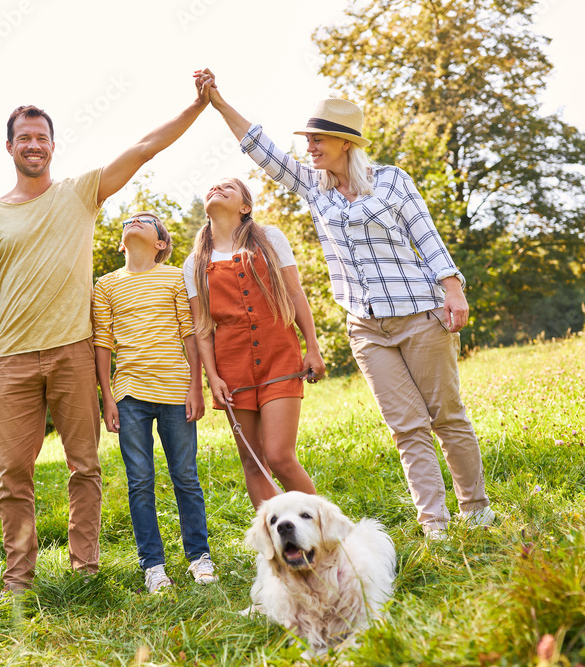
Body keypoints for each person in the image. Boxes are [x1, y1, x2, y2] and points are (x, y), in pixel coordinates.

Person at [0, 79, 213, 594]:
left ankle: (84, 569)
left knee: (84, 466)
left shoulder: (79, 193)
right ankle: (18, 578)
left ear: (53, 146)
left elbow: (144, 148)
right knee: (13, 473)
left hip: (73, 354)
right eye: (25, 137)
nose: (34, 145)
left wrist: (196, 106)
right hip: (13, 359)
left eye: (42, 137)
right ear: (11, 146)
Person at [198, 68, 493, 538]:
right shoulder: (314, 189)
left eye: (318, 140)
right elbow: (260, 148)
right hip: (366, 328)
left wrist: (452, 287)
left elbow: (427, 237)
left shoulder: (392, 181)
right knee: (406, 428)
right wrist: (217, 100)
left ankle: (475, 511)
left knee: (447, 417)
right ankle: (435, 524)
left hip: (420, 314)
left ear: (345, 143)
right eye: (309, 139)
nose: (310, 147)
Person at [184, 176, 326, 510]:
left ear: (245, 207)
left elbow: (294, 293)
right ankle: (276, 544)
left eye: (227, 187)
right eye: (212, 186)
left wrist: (313, 346)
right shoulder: (195, 263)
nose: (216, 188)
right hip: (232, 368)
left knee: (278, 456)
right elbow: (202, 328)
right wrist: (212, 377)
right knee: (252, 460)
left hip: (280, 356)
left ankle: (327, 531)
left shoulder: (269, 238)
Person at [92, 211, 216, 594]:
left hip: (177, 391)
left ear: (161, 243)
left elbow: (190, 333)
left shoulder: (175, 276)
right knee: (140, 481)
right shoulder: (105, 285)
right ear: (121, 241)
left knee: (185, 476)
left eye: (146, 220)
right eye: (130, 219)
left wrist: (197, 386)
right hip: (129, 394)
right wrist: (106, 397)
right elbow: (102, 344)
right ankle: (153, 566)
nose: (135, 220)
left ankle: (199, 557)